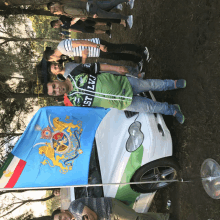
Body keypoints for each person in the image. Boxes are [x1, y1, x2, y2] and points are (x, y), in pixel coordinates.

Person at [45, 62, 186, 124]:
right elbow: (93, 113)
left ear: (55, 81)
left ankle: (172, 84)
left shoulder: (76, 72)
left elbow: (98, 66)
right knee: (151, 108)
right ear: (56, 95)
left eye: (54, 86)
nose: (57, 89)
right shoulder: (75, 102)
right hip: (123, 103)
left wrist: (116, 68)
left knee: (151, 84)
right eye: (54, 92)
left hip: (124, 84)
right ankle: (172, 110)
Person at [43, 38, 149, 70]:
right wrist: (80, 58)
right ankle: (137, 60)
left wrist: (99, 46)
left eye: (52, 60)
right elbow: (78, 49)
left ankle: (141, 49)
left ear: (52, 56)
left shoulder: (62, 47)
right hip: (96, 52)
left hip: (98, 46)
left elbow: (81, 42)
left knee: (119, 48)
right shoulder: (63, 50)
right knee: (117, 56)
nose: (55, 61)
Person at [51, 197, 170, 220]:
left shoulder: (73, 206)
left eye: (60, 217)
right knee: (139, 217)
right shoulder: (76, 218)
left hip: (111, 208)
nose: (63, 219)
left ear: (62, 211)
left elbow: (92, 216)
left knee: (137, 218)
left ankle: (166, 218)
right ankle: (165, 217)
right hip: (109, 217)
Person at [47, 0, 134, 29]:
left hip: (91, 10)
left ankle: (127, 18)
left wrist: (91, 15)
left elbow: (80, 12)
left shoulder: (66, 9)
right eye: (54, 11)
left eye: (54, 8)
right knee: (110, 4)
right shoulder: (65, 4)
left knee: (110, 15)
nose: (56, 10)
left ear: (56, 3)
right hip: (90, 4)